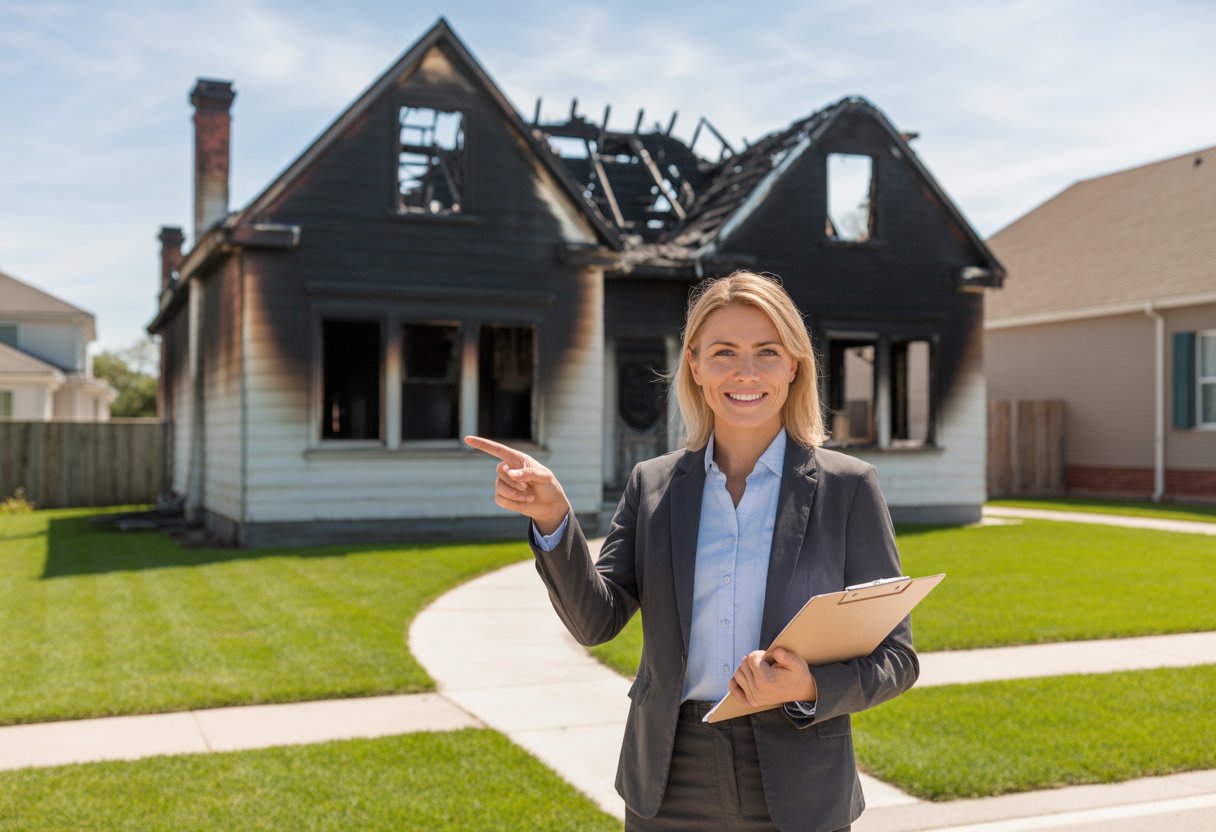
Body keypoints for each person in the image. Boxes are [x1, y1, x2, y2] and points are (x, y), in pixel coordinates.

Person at [466, 271, 917, 832]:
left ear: (794, 365)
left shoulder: (847, 488)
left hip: (801, 783)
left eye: (767, 352)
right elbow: (596, 620)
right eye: (724, 352)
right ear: (696, 366)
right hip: (668, 779)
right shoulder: (652, 486)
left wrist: (808, 686)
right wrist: (555, 520)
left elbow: (896, 660)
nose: (746, 372)